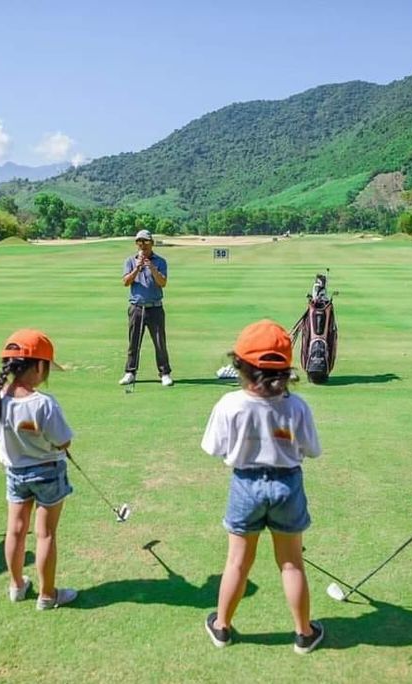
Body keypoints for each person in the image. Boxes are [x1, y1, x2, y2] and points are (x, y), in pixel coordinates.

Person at [201, 320, 324, 654]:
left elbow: (213, 447)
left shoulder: (229, 404)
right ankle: (304, 633)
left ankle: (222, 626)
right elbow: (312, 450)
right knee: (291, 563)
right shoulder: (297, 406)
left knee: (238, 563)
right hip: (287, 484)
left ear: (240, 365)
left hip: (245, 484)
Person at [0, 329, 78, 610]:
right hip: (48, 472)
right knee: (45, 534)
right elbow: (64, 440)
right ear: (38, 366)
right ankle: (47, 595)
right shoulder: (44, 404)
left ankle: (16, 586)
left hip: (15, 473)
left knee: (15, 530)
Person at [119, 229, 173, 387]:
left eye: (145, 241)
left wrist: (151, 267)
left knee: (159, 343)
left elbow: (162, 283)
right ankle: (130, 372)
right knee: (133, 342)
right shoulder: (130, 261)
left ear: (152, 243)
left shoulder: (160, 261)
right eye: (139, 242)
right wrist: (137, 268)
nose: (142, 245)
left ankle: (165, 373)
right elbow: (126, 282)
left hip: (155, 307)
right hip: (136, 307)